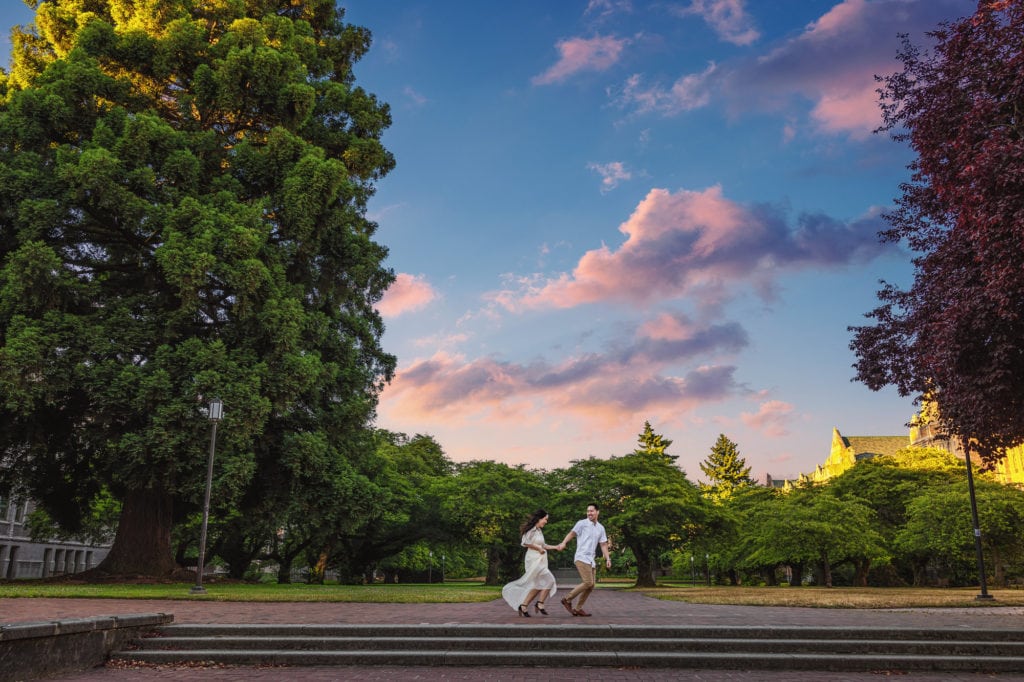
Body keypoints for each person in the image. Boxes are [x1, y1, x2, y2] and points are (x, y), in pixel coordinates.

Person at [556, 502, 611, 617]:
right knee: (588, 582)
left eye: (591, 511)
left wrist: (608, 558)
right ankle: (567, 599)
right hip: (581, 557)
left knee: (591, 586)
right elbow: (572, 534)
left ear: (597, 512)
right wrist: (564, 542)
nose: (589, 513)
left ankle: (577, 608)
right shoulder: (582, 523)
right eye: (588, 511)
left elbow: (603, 544)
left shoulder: (601, 528)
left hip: (591, 559)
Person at [501, 509, 559, 617]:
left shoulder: (539, 531)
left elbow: (543, 545)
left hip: (540, 559)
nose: (546, 521)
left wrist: (556, 547)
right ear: (539, 519)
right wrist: (538, 548)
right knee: (550, 580)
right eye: (545, 519)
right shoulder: (531, 530)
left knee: (538, 584)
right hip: (533, 560)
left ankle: (524, 606)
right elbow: (525, 542)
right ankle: (540, 604)